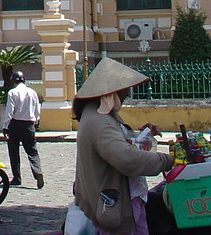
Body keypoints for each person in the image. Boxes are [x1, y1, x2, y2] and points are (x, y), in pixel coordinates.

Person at [72, 57, 174, 235]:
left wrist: (143, 135)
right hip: (110, 203)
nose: (127, 93)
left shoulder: (100, 113)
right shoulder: (100, 121)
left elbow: (120, 142)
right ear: (112, 91)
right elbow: (125, 158)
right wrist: (166, 160)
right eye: (124, 90)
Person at [1, 71, 44, 188]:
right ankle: (38, 171)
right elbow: (37, 109)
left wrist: (5, 127)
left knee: (14, 152)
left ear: (13, 81)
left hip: (15, 124)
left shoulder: (12, 92)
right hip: (29, 124)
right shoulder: (32, 92)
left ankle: (17, 177)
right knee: (32, 151)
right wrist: (35, 121)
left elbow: (10, 111)